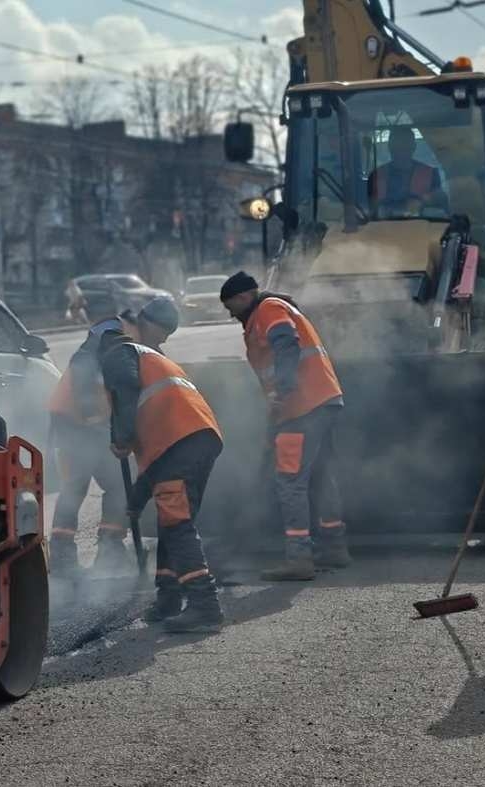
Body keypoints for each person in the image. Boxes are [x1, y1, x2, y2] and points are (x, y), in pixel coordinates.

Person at [99, 299, 224, 632]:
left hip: (179, 441)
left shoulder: (117, 354)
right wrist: (136, 502)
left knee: (177, 524)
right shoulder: (151, 358)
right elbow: (155, 464)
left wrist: (122, 437)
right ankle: (168, 598)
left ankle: (204, 605)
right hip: (197, 438)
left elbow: (124, 390)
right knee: (174, 521)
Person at [220, 272, 349, 582]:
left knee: (290, 481)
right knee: (320, 475)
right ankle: (334, 546)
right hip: (321, 402)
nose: (231, 314)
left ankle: (299, 558)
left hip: (301, 407)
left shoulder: (268, 309)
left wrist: (283, 391)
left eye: (230, 306)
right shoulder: (271, 311)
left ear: (243, 297)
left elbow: (286, 344)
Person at [46, 291, 128, 577]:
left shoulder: (95, 338)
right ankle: (107, 548)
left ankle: (63, 554)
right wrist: (100, 426)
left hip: (71, 423)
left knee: (75, 487)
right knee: (116, 485)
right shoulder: (103, 341)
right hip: (81, 424)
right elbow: (88, 387)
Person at [367, 126, 445, 216]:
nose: (401, 150)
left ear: (413, 147)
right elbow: (370, 210)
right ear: (389, 147)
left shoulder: (431, 174)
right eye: (397, 146)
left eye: (405, 146)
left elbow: (440, 201)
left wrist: (423, 201)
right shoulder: (376, 176)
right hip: (382, 227)